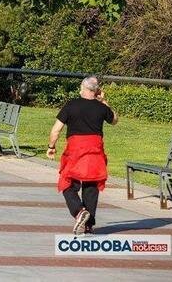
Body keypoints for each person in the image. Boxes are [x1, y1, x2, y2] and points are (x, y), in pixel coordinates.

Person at [48, 76, 118, 235]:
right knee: (91, 187)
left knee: (67, 183)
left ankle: (79, 212)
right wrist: (104, 102)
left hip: (75, 150)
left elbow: (56, 130)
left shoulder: (71, 105)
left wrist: (51, 146)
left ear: (84, 88)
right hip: (95, 151)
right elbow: (114, 120)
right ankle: (88, 226)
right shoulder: (101, 108)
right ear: (96, 91)